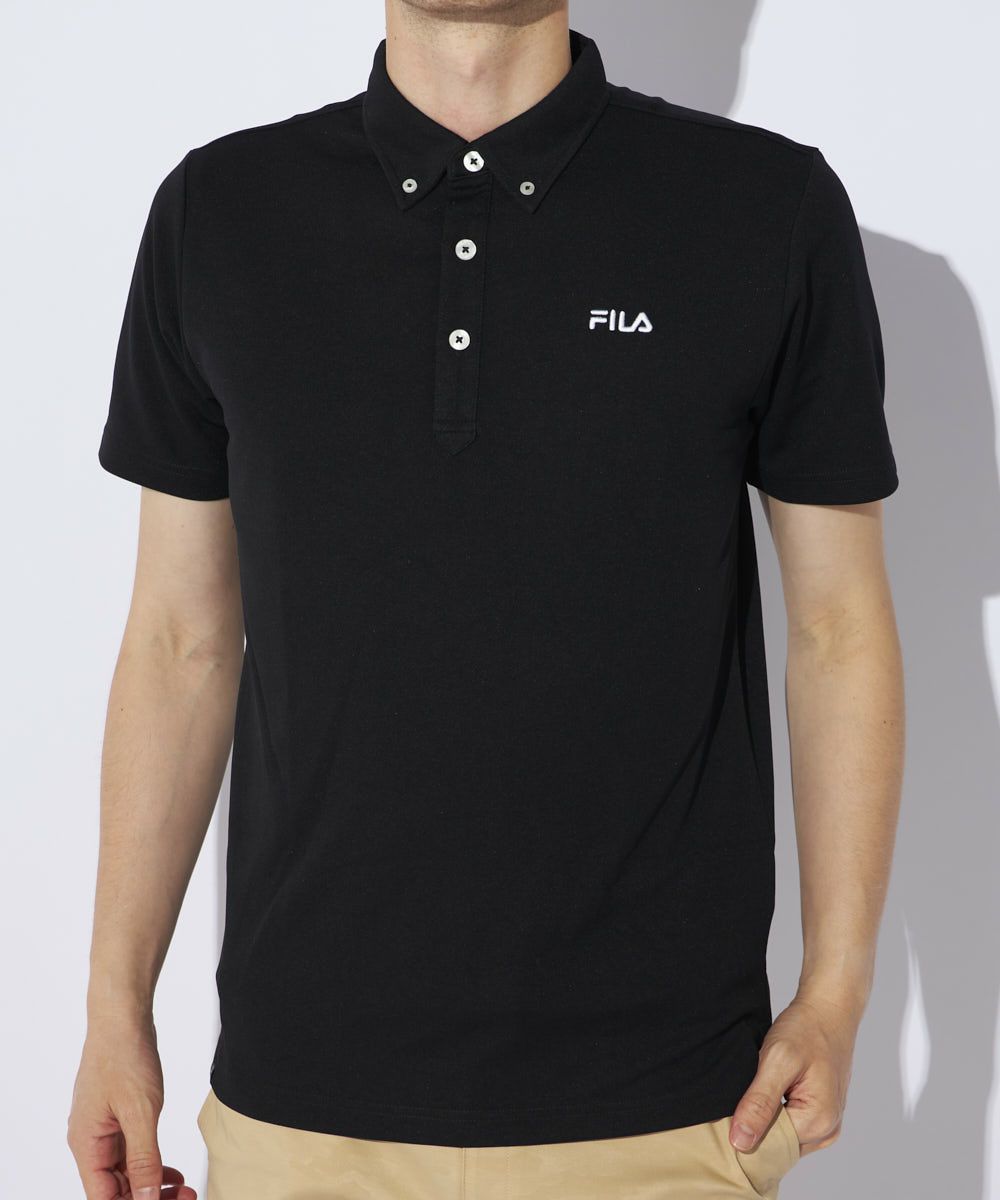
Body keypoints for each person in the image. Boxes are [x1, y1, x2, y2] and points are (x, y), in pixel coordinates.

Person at [68, 1, 905, 1197]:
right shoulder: (222, 211)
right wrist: (113, 1010)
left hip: (667, 1115)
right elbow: (177, 640)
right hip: (302, 1113)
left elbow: (838, 629)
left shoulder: (764, 207)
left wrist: (837, 991)